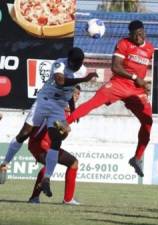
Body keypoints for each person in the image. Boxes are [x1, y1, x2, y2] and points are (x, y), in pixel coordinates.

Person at [0, 48, 97, 197]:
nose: (76, 66)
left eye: (79, 63)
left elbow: (69, 90)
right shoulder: (60, 63)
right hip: (44, 101)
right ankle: (5, 163)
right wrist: (83, 80)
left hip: (59, 106)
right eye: (74, 63)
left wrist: (73, 109)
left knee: (56, 140)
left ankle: (46, 178)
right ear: (68, 59)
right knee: (24, 133)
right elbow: (60, 82)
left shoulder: (82, 70)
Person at [65, 20, 154, 177]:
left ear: (144, 31)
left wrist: (145, 85)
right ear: (130, 34)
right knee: (93, 102)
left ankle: (137, 158)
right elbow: (115, 67)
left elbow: (150, 69)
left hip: (136, 91)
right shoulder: (123, 44)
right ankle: (65, 122)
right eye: (135, 34)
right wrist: (135, 77)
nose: (139, 36)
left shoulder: (150, 48)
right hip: (119, 84)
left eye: (141, 33)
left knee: (148, 122)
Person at [29, 86, 81, 205]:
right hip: (38, 143)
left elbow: (59, 135)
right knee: (49, 163)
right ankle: (34, 197)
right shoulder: (58, 106)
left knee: (73, 163)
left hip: (51, 145)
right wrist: (62, 127)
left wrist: (65, 132)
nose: (76, 96)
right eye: (74, 93)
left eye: (78, 94)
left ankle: (68, 199)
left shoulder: (68, 111)